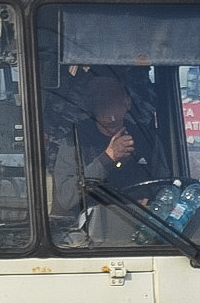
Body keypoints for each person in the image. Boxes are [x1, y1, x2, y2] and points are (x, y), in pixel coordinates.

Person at [47, 72, 167, 225]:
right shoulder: (74, 141)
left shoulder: (147, 140)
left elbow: (165, 187)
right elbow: (66, 198)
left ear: (127, 103)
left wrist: (153, 205)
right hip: (90, 234)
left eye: (112, 99)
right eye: (99, 100)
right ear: (91, 105)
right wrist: (107, 159)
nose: (105, 105)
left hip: (143, 225)